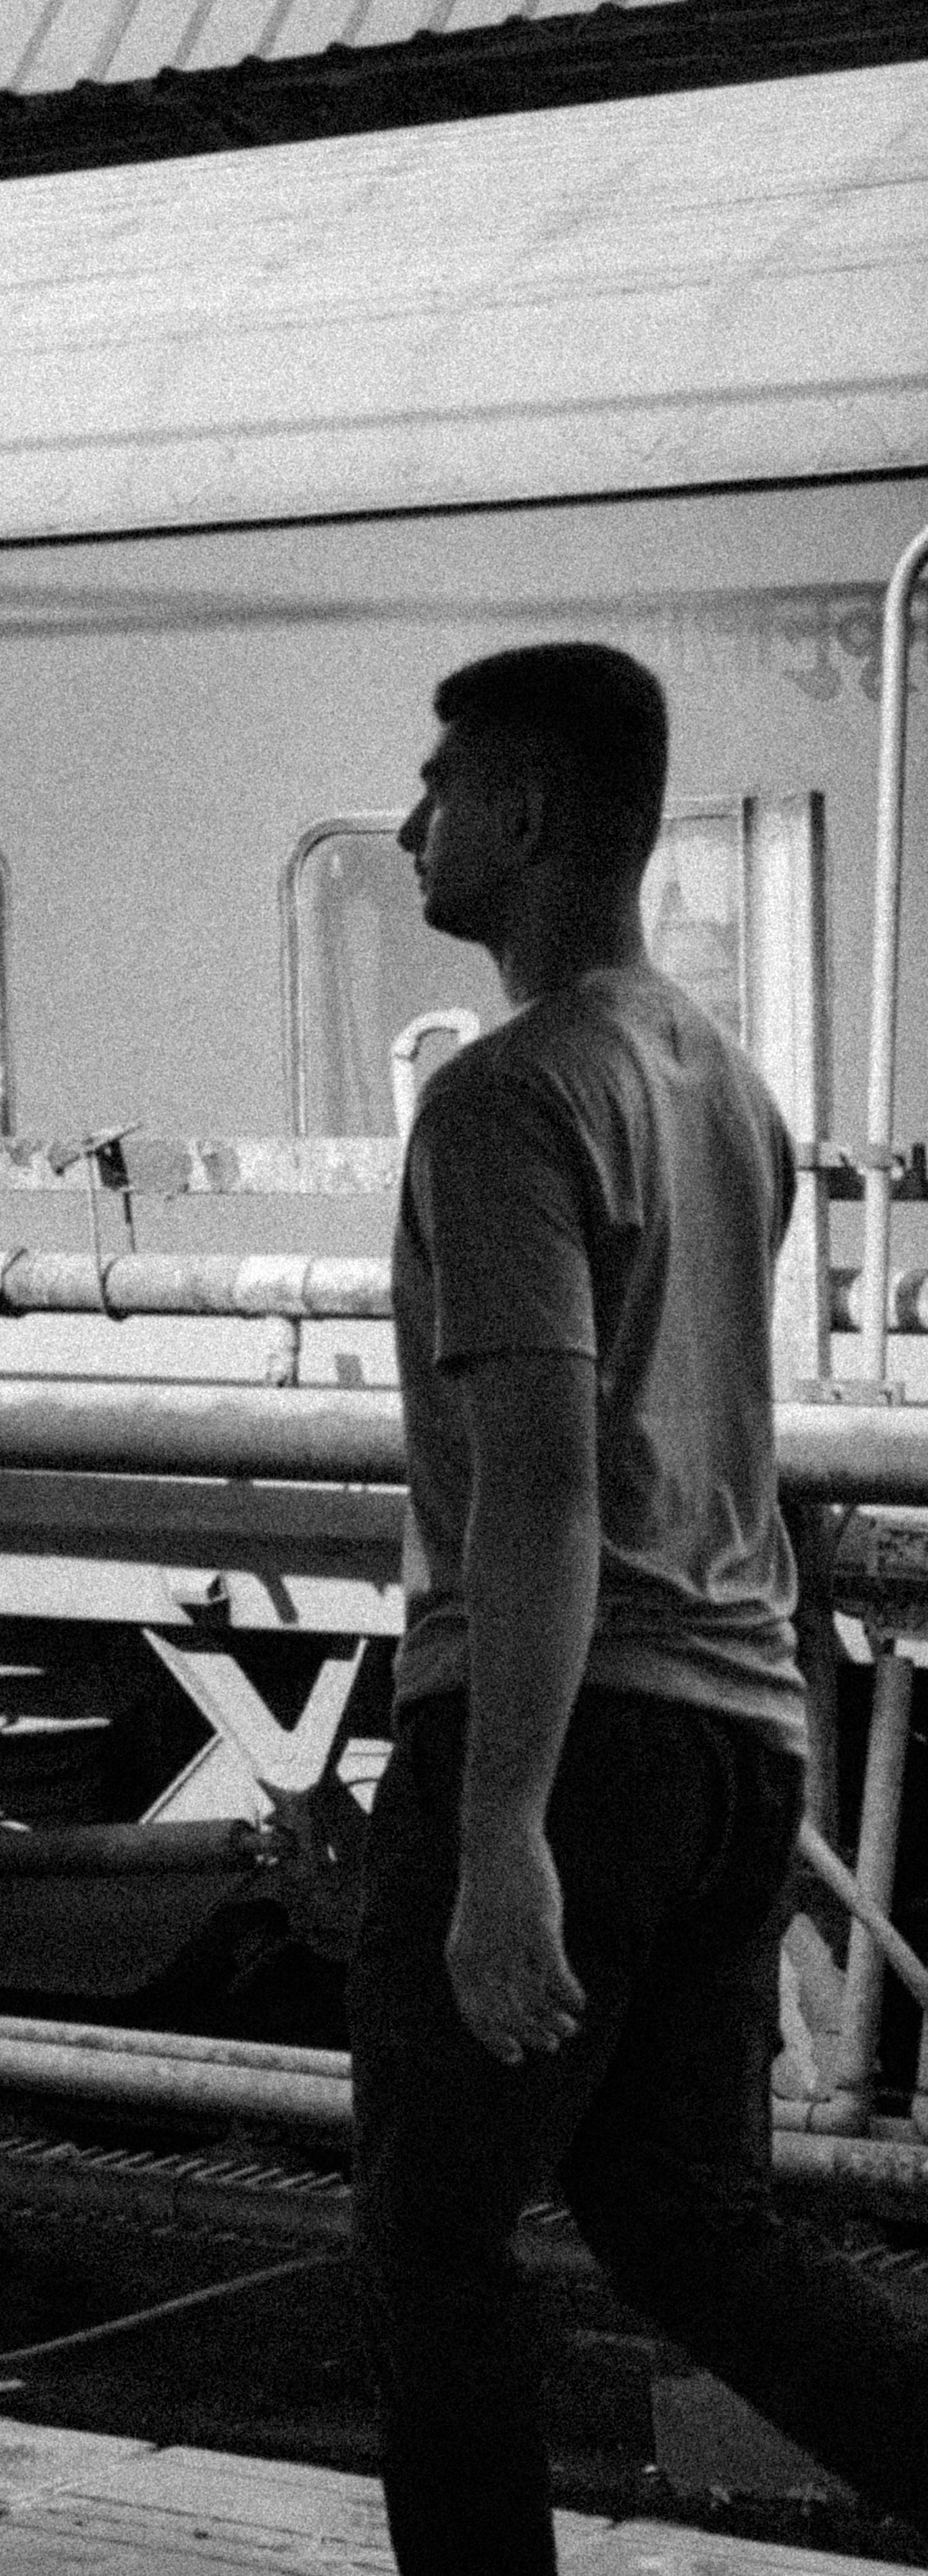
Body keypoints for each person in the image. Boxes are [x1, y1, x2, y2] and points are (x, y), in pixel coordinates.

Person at [349, 640, 928, 2573]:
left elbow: (545, 1472)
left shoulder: (511, 1098)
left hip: (574, 1729)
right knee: (689, 2224)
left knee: (433, 2239)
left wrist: (500, 1826)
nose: (415, 818)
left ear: (518, 817)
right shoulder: (724, 1086)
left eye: (440, 785)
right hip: (739, 1736)